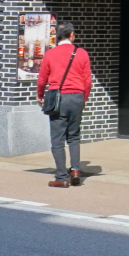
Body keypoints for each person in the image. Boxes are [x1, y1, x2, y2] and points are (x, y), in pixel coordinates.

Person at [36, 21, 92, 188]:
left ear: (57, 37)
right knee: (73, 136)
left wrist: (40, 96)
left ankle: (61, 177)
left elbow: (42, 79)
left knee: (58, 139)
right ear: (72, 35)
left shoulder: (50, 54)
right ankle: (75, 170)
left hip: (58, 98)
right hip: (77, 97)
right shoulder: (81, 53)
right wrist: (84, 98)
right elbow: (87, 80)